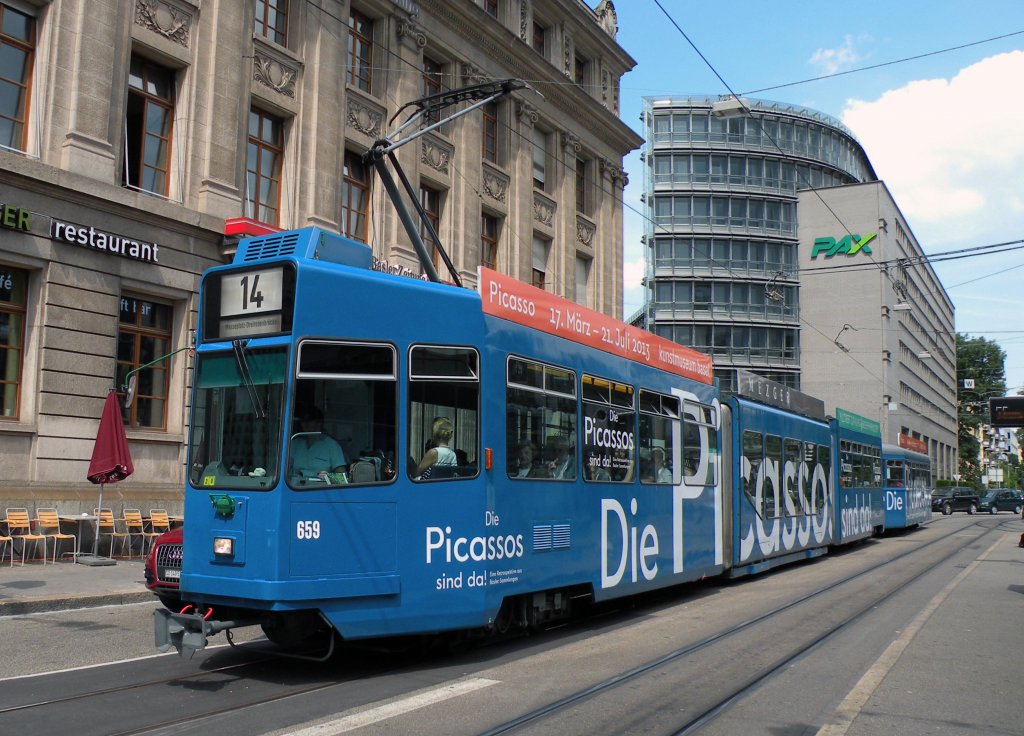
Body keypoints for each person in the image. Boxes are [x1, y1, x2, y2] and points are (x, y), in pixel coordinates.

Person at [289, 407, 348, 482]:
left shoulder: (332, 445)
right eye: (303, 420)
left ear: (319, 423)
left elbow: (343, 480)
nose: (305, 423)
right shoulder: (295, 443)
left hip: (319, 488)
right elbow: (284, 470)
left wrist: (329, 477)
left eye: (309, 420)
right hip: (294, 487)